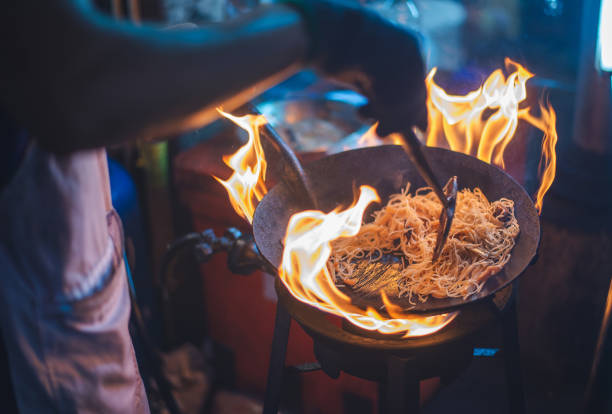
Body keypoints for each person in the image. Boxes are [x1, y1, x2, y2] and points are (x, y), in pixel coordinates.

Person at [0, 0, 427, 412]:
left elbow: (92, 52)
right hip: (26, 301)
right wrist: (329, 32)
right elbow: (80, 89)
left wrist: (223, 52)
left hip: (60, 225)